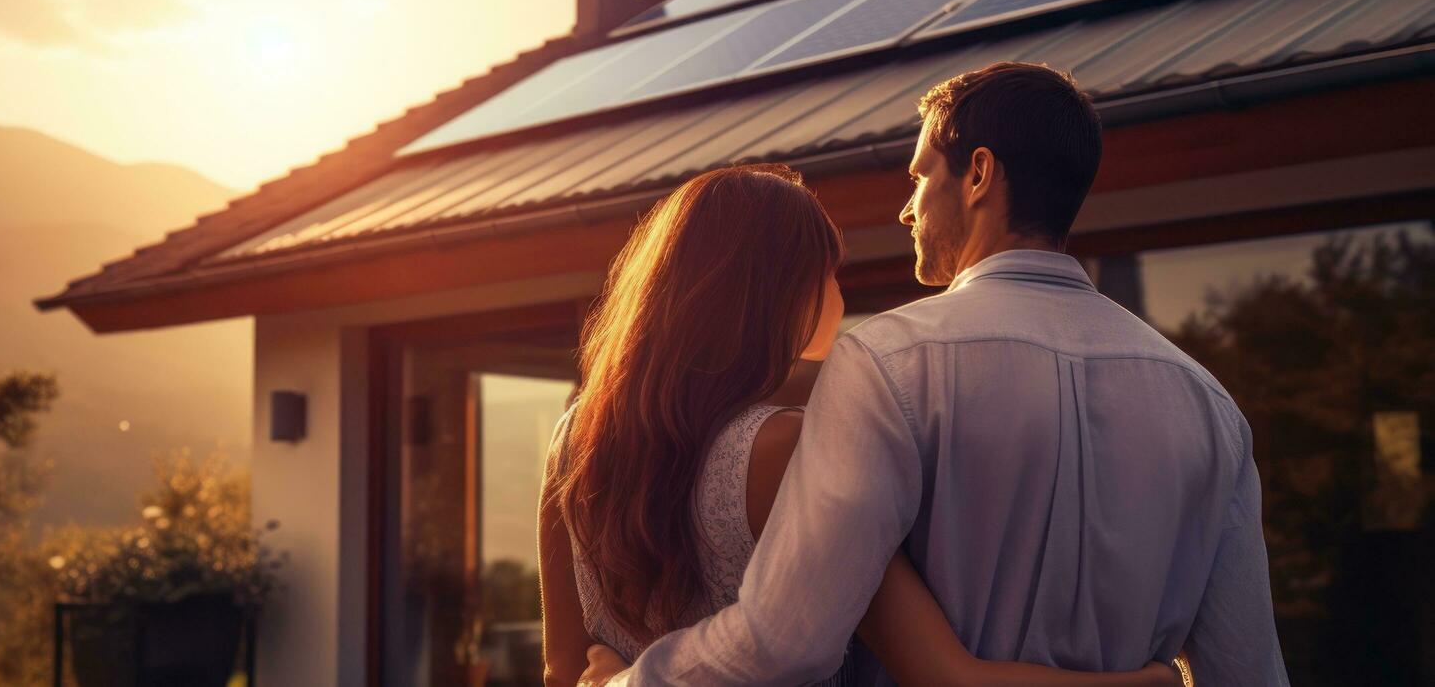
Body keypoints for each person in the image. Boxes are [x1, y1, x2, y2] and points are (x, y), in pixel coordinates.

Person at [579, 61, 1286, 686]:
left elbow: (786, 640)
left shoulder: (888, 362)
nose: (906, 207)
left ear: (977, 174)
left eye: (920, 175)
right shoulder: (1205, 403)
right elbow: (1244, 670)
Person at [541, 162, 1180, 687]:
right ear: (777, 294)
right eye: (829, 274)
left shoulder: (575, 440)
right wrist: (1144, 683)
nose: (840, 298)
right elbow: (941, 673)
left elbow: (562, 670)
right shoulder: (783, 448)